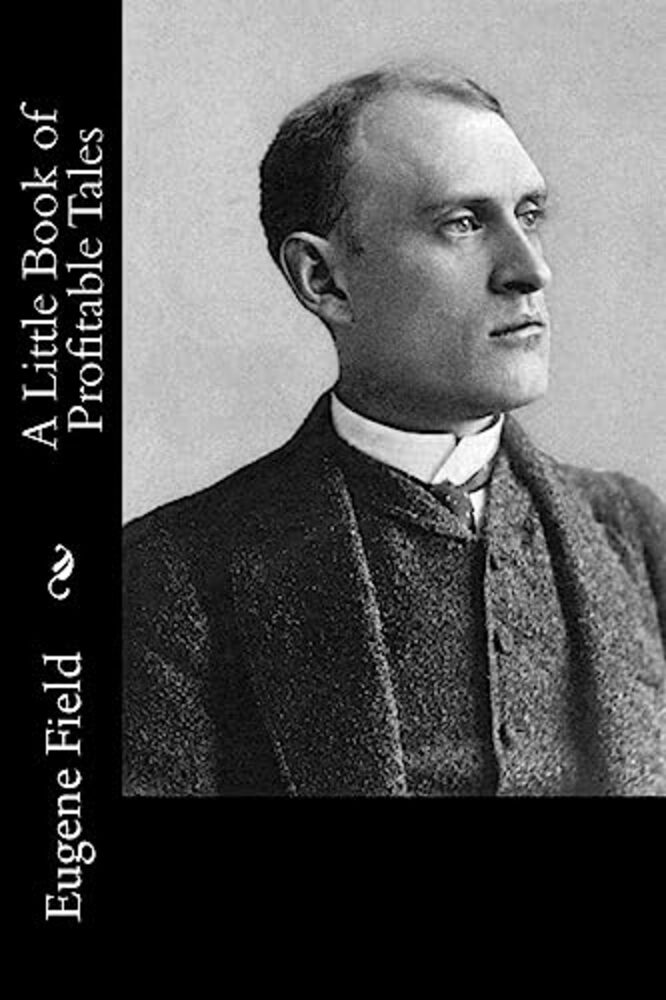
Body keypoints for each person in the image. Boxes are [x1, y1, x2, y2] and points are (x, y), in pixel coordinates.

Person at [123, 63, 665, 797]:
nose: (530, 269)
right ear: (324, 280)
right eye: (462, 223)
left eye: (530, 214)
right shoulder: (172, 578)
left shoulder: (634, 535)